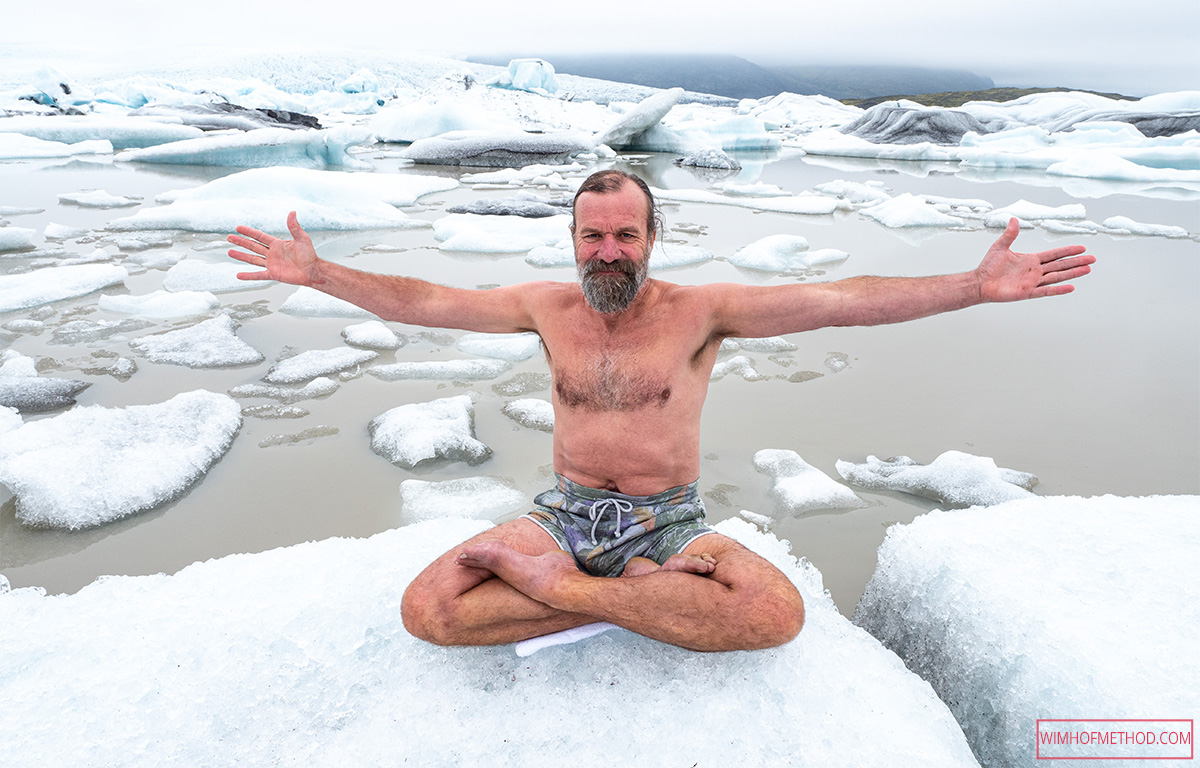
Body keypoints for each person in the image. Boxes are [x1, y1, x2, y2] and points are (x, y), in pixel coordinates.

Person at [227, 169, 1094, 652]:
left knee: (773, 615)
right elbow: (428, 299)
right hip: (562, 512)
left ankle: (567, 590)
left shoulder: (702, 311)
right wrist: (322, 275)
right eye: (592, 236)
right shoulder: (543, 308)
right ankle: (627, 595)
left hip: (667, 521)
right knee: (429, 611)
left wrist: (974, 288)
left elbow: (839, 298)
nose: (608, 251)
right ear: (572, 241)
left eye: (625, 235)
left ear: (651, 239)